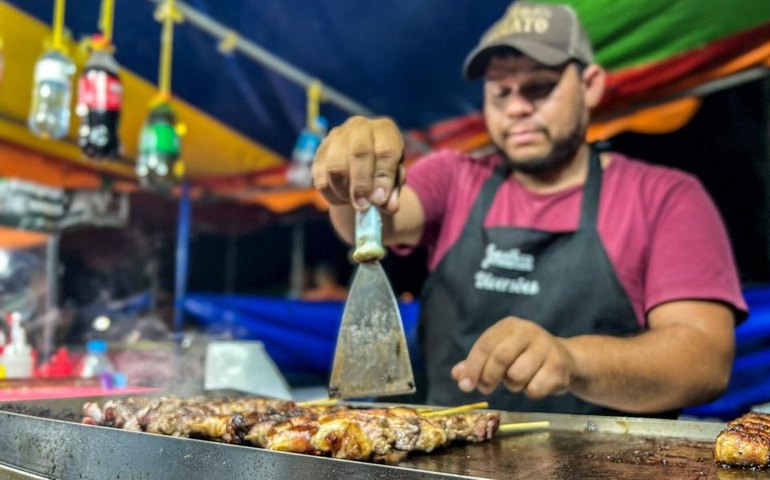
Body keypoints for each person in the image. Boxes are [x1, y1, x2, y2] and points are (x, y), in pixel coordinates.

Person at [312, 1, 747, 416]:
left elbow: (704, 361)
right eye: (501, 92)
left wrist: (571, 359)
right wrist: (356, 170)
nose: (518, 107)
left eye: (540, 87)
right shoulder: (456, 177)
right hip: (448, 463)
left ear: (591, 85)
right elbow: (371, 225)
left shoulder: (662, 196)